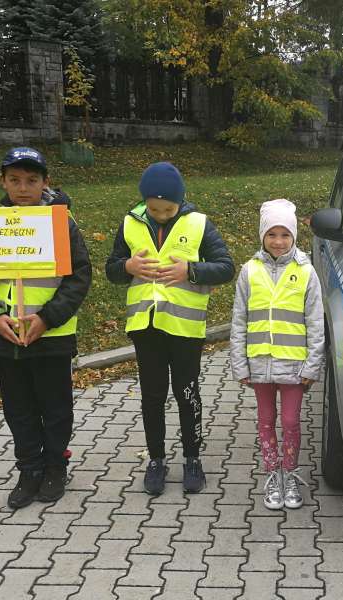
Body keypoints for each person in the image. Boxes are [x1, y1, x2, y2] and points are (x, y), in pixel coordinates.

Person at [0, 147, 91, 509]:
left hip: (51, 334)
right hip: (7, 335)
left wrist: (48, 317)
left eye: (32, 180)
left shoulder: (61, 223)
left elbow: (79, 277)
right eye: (15, 180)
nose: (23, 188)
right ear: (3, 181)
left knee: (56, 406)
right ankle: (29, 468)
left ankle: (54, 466)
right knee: (18, 408)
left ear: (45, 182)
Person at [105, 162, 234, 496]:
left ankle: (192, 459)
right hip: (146, 328)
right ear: (144, 202)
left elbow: (225, 267)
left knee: (187, 393)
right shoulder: (130, 223)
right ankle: (156, 460)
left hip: (184, 329)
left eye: (168, 209)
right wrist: (128, 266)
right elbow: (112, 270)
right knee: (152, 396)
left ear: (182, 200)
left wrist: (191, 271)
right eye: (154, 208)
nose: (161, 214)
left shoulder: (199, 224)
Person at [230, 198, 324, 510]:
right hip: (259, 366)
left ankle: (291, 473)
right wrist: (239, 363)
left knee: (291, 421)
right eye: (272, 234)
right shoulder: (249, 271)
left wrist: (312, 365)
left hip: (294, 367)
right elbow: (239, 320)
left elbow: (315, 322)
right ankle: (272, 475)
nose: (279, 241)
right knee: (266, 421)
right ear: (262, 236)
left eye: (285, 235)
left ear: (295, 237)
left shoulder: (306, 272)